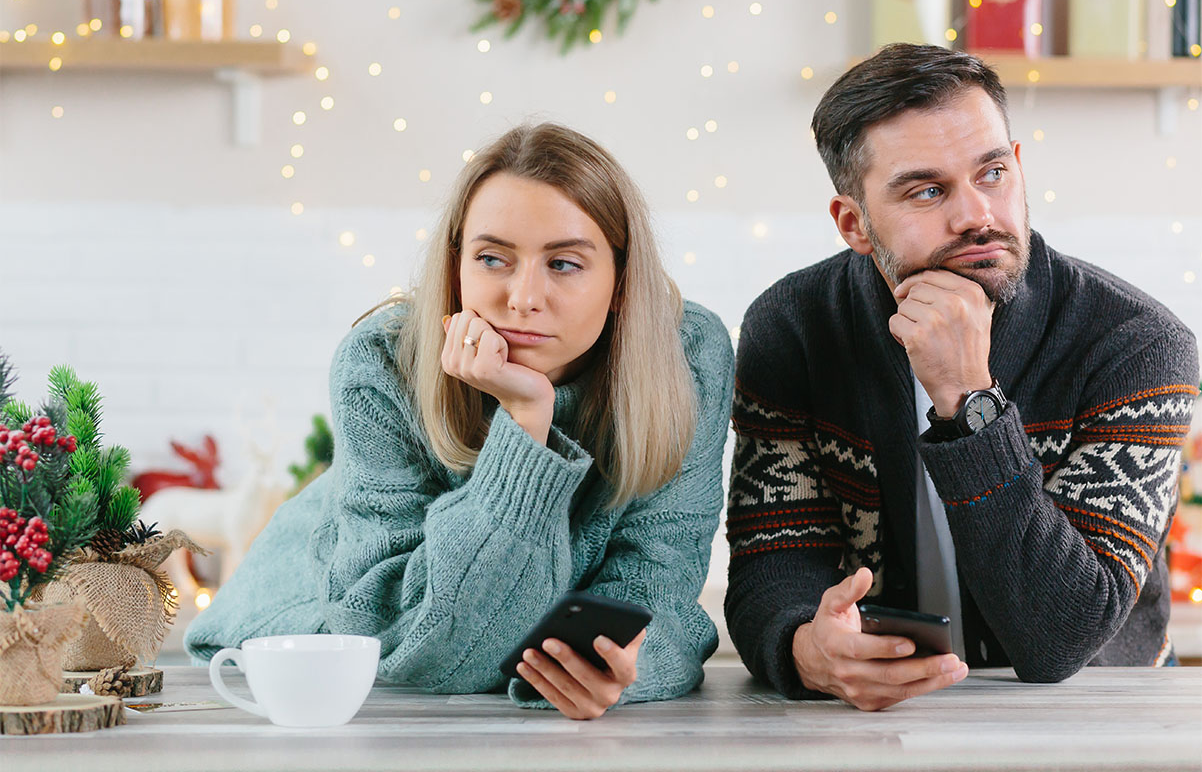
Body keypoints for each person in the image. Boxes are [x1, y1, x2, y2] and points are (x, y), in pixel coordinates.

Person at [185, 122, 734, 719]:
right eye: (493, 258)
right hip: (327, 619)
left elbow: (663, 588)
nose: (523, 298)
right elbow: (432, 646)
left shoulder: (688, 355)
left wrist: (615, 667)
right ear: (456, 267)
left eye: (566, 264)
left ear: (622, 282)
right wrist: (526, 418)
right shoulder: (381, 362)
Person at [724, 43, 1199, 711]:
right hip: (875, 719)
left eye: (992, 173)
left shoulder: (1136, 346)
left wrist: (968, 399)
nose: (976, 214)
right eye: (927, 190)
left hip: (1099, 716)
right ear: (854, 223)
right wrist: (807, 647)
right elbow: (772, 566)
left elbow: (1062, 638)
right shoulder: (795, 328)